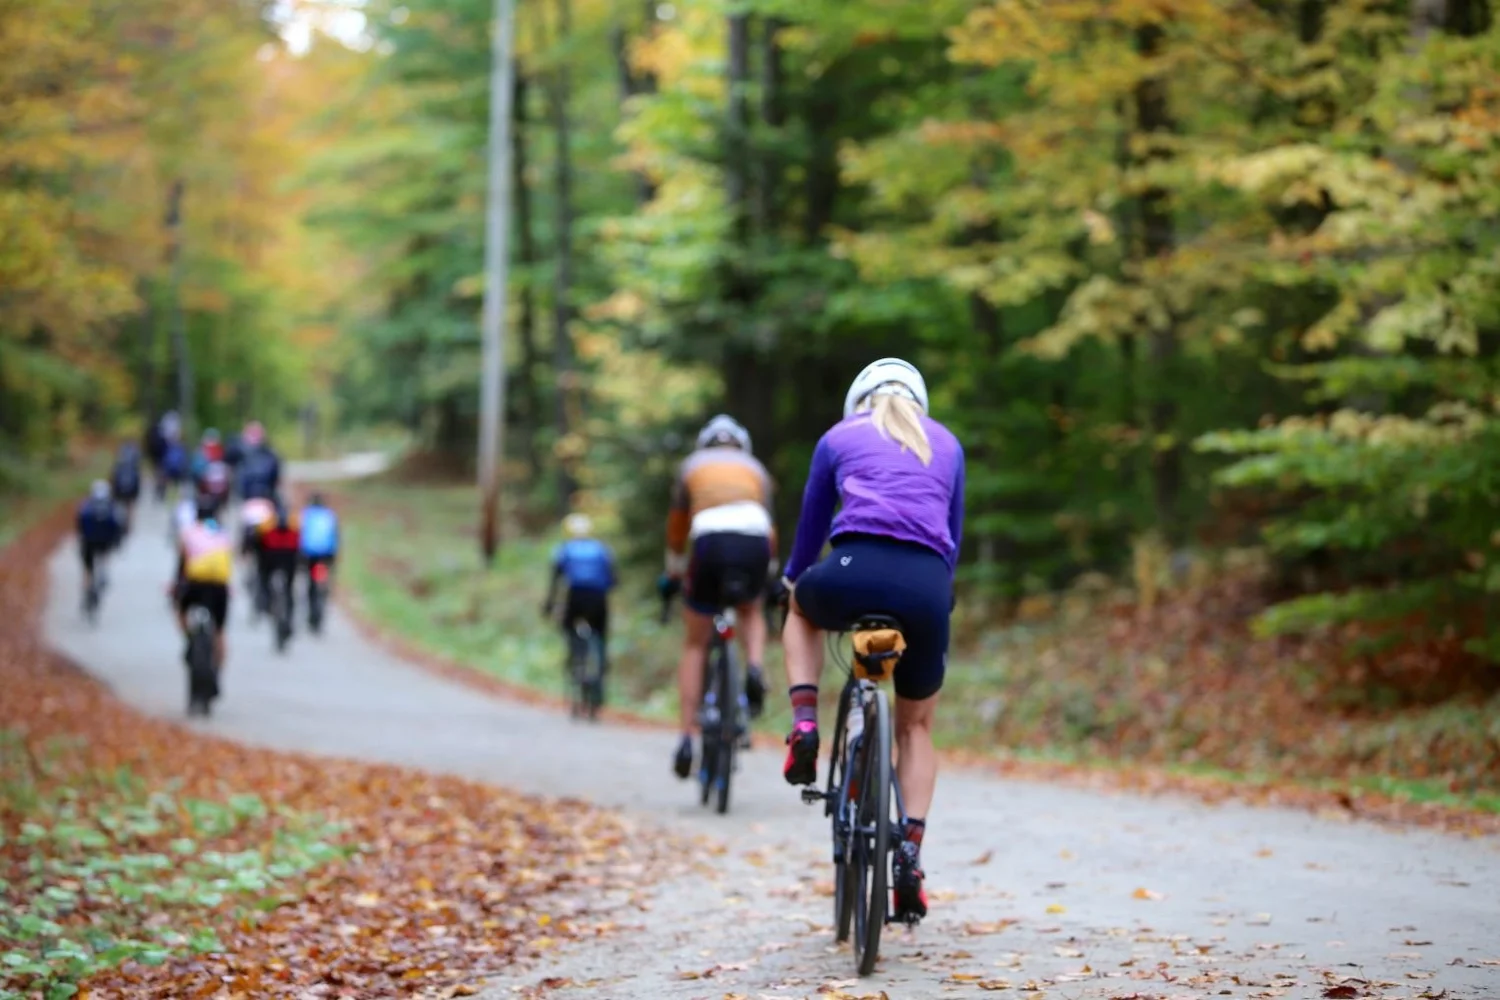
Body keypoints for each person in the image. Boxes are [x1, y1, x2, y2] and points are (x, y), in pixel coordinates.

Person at [777, 357, 965, 923]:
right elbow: (951, 539)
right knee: (916, 727)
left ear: (856, 401)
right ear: (920, 403)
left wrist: (793, 581)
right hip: (926, 587)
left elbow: (811, 532)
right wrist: (934, 596)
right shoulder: (948, 444)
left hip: (852, 567)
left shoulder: (838, 437)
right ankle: (910, 850)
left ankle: (805, 723)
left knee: (801, 608)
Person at [660, 414, 775, 780]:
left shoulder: (690, 466)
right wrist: (769, 573)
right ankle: (754, 666)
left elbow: (678, 526)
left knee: (695, 643)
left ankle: (686, 739)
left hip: (709, 541)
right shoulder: (757, 469)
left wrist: (674, 568)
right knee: (751, 609)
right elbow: (768, 528)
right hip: (753, 539)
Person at [542, 513, 616, 696]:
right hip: (599, 598)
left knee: (569, 628)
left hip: (575, 597)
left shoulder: (565, 549)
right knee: (600, 632)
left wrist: (549, 605)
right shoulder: (602, 549)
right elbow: (614, 580)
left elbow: (556, 580)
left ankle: (576, 660)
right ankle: (602, 663)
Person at [174, 493, 234, 684]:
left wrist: (176, 585)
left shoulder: (188, 533)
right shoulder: (223, 534)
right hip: (219, 587)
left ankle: (190, 640)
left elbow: (182, 564)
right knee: (219, 630)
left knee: (180, 610)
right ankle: (218, 672)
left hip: (195, 584)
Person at [255, 495, 301, 627]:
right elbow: (300, 541)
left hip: (270, 557)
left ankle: (265, 604)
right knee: (289, 588)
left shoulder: (267, 521)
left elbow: (258, 542)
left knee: (264, 577)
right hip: (289, 558)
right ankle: (290, 615)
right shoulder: (294, 520)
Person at [77, 481, 124, 604]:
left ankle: (86, 590)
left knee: (87, 568)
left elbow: (80, 523)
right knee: (104, 554)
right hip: (105, 541)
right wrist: (117, 540)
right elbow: (117, 523)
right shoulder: (111, 505)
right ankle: (103, 572)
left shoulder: (86, 505)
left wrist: (82, 537)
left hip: (88, 541)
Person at [298, 492, 340, 622]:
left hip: (309, 553)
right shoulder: (329, 515)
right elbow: (336, 535)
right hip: (326, 553)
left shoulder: (305, 514)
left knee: (310, 581)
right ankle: (323, 590)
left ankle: (313, 607)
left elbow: (300, 535)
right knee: (323, 577)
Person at [235, 421, 281, 502]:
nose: (255, 437)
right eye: (252, 433)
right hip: (244, 499)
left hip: (266, 498)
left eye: (257, 433)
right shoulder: (240, 452)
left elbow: (275, 478)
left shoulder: (269, 455)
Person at [109, 443, 143, 532]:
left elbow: (113, 478)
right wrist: (136, 494)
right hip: (130, 491)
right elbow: (138, 481)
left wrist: (113, 491)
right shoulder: (134, 467)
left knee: (118, 507)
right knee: (129, 507)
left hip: (119, 491)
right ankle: (128, 525)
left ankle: (117, 524)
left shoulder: (118, 465)